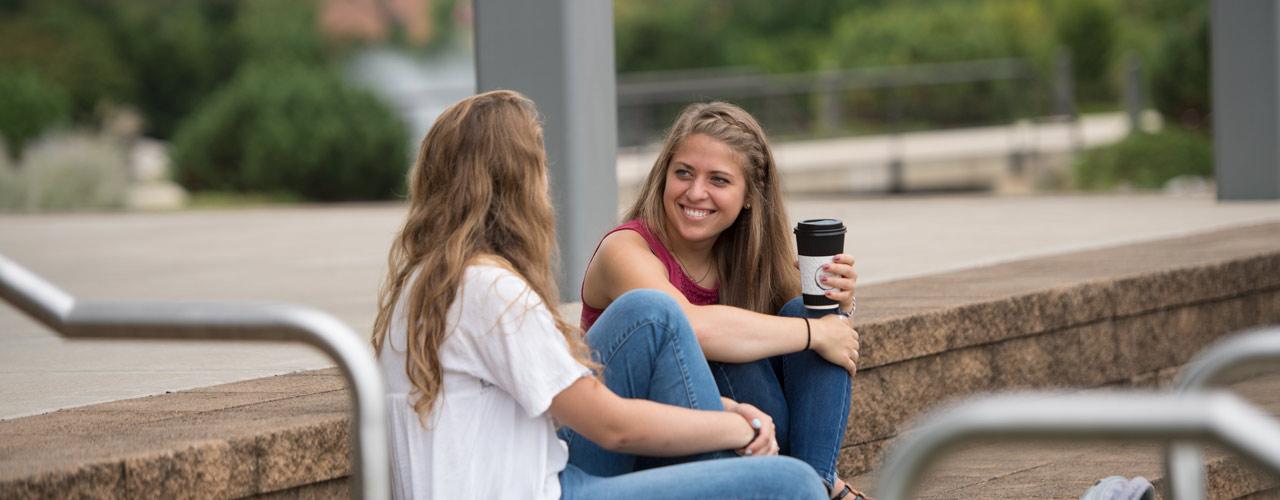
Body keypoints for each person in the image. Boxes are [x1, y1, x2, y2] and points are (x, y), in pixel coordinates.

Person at [371, 90, 827, 500]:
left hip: (547, 473)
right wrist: (738, 425)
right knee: (792, 483)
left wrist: (728, 410)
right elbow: (611, 426)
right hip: (546, 489)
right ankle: (814, 483)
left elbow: (572, 396)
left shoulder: (433, 282)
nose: (547, 183)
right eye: (540, 165)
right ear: (517, 181)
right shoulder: (489, 289)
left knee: (651, 311)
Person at [576, 101, 865, 499]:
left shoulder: (751, 258)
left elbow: (811, 346)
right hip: (646, 443)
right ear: (663, 177)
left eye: (719, 180)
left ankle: (815, 482)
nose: (696, 192)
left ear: (750, 196)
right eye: (683, 173)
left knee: (803, 311)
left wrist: (838, 305)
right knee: (736, 343)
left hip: (744, 440)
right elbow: (693, 326)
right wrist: (815, 331)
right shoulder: (626, 249)